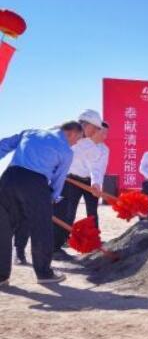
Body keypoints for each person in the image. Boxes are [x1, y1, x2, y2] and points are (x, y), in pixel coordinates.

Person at [0, 121, 83, 286]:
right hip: (36, 183)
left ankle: (1, 276)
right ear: (71, 133)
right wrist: (52, 197)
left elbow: (4, 145)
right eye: (78, 139)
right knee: (41, 227)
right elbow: (59, 179)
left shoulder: (30, 132)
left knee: (3, 227)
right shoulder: (66, 151)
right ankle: (44, 273)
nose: (76, 143)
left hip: (9, 178)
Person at [52, 110, 105, 261]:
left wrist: (96, 182)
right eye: (94, 128)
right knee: (63, 213)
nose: (95, 132)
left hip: (82, 181)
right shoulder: (60, 133)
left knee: (69, 215)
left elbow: (95, 166)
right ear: (85, 125)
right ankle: (54, 248)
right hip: (66, 180)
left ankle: (56, 247)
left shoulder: (90, 145)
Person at [86, 121, 110, 227]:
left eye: (106, 133)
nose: (105, 137)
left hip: (92, 182)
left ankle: (93, 234)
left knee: (92, 212)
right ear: (94, 131)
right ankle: (63, 236)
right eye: (103, 133)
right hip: (73, 181)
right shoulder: (79, 143)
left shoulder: (104, 149)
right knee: (68, 211)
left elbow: (100, 169)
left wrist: (97, 183)